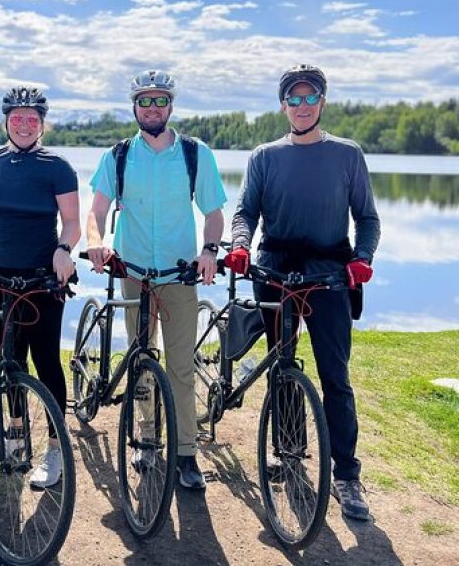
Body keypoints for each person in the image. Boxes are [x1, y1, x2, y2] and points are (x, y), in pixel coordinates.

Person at [225, 64, 381, 520]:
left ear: (322, 102)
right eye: (293, 99)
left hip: (331, 276)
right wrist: (238, 246)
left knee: (336, 377)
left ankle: (347, 477)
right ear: (283, 105)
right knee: (281, 366)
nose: (302, 106)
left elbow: (367, 218)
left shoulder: (347, 155)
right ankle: (288, 452)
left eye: (310, 97)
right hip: (274, 271)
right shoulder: (264, 156)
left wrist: (362, 258)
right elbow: (245, 211)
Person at [86, 70, 227, 490]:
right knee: (141, 362)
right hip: (134, 275)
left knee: (181, 367)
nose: (152, 108)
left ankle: (186, 454)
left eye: (160, 101)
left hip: (179, 276)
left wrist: (210, 251)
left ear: (171, 107)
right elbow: (95, 212)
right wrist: (96, 243)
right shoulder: (118, 155)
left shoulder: (194, 154)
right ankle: (147, 439)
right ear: (134, 107)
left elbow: (215, 212)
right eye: (144, 101)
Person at [0, 86, 80, 488]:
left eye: (31, 118)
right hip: (0, 276)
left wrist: (64, 250)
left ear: (41, 124)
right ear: (6, 121)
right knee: (10, 359)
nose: (23, 123)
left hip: (42, 278)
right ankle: (16, 437)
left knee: (46, 360)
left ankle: (55, 449)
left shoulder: (57, 166)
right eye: (16, 117)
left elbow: (72, 222)